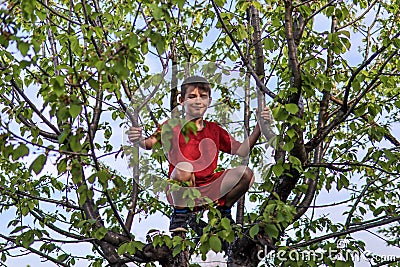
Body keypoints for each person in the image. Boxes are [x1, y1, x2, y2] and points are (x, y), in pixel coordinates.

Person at [128, 75, 272, 232]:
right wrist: (138, 139)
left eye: (203, 97)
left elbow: (243, 150)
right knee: (184, 167)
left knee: (246, 174)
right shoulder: (171, 126)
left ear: (209, 101)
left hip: (209, 189)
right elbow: (149, 143)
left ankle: (223, 211)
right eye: (192, 96)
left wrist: (260, 126)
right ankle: (180, 214)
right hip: (182, 188)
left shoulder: (215, 130)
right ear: (181, 100)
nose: (198, 101)